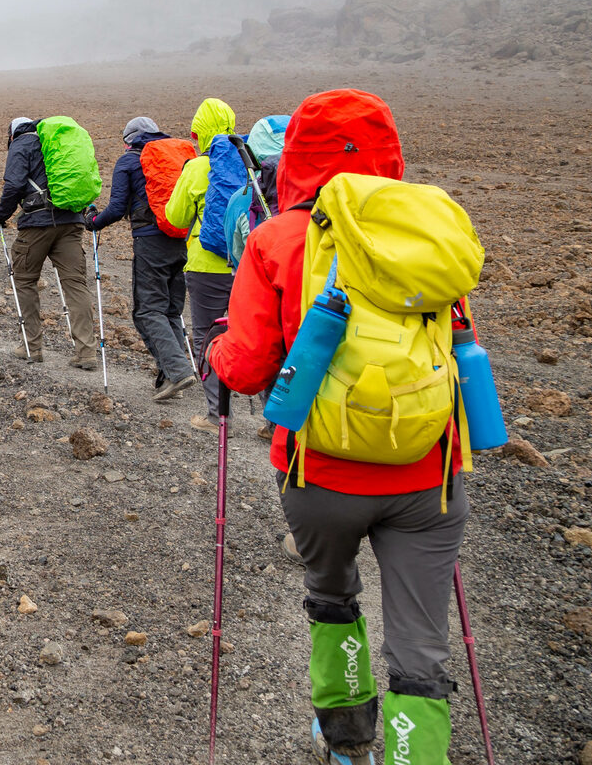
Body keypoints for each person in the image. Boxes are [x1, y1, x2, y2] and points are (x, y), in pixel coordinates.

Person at [209, 89, 466, 765]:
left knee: (331, 598)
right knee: (421, 643)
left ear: (296, 157)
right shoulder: (430, 236)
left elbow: (247, 367)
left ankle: (348, 745)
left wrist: (216, 350)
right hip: (427, 477)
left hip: (319, 472)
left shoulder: (277, 238)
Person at [85, 115, 197, 397]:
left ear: (130, 140)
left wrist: (94, 221)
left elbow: (117, 208)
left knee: (148, 310)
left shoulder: (129, 161)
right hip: (182, 239)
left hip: (151, 241)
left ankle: (179, 372)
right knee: (170, 310)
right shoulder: (177, 156)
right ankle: (172, 377)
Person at [0, 117, 100, 369]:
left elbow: (14, 185)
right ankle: (86, 352)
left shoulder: (22, 143)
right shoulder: (56, 142)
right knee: (75, 284)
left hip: (37, 223)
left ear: (11, 135)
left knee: (24, 279)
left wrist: (0, 216)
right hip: (71, 221)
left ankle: (32, 346)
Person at [166, 97, 238, 431]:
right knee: (258, 336)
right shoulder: (249, 164)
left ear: (199, 134)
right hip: (246, 264)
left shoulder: (196, 168)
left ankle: (217, 416)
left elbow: (176, 217)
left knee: (208, 338)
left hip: (205, 266)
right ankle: (273, 421)